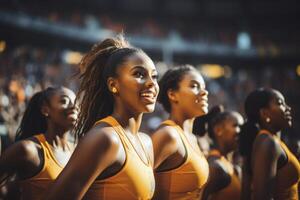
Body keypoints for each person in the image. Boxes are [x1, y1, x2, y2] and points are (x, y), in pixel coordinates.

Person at [46, 35, 159, 200]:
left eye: (154, 76)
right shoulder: (105, 138)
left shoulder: (146, 142)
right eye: (139, 74)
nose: (151, 83)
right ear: (113, 85)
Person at [0, 86, 77, 200]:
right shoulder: (28, 150)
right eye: (64, 101)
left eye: (76, 102)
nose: (74, 107)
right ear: (45, 110)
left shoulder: (78, 150)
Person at [151, 65, 209, 200]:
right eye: (194, 86)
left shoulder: (193, 139)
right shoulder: (168, 135)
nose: (204, 92)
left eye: (204, 87)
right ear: (172, 95)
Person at [239, 88, 300, 200]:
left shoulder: (272, 140)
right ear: (264, 113)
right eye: (280, 103)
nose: (288, 108)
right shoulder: (267, 142)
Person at [201, 106, 244, 200]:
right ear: (218, 130)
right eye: (236, 126)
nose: (241, 132)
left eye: (242, 127)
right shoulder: (215, 167)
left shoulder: (230, 166)